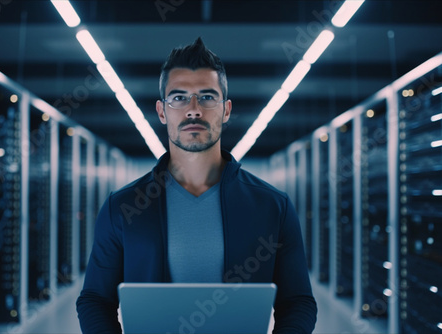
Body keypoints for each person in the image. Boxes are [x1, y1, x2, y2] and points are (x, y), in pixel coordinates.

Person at [76, 37, 317, 333]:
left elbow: (298, 302)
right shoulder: (122, 207)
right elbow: (95, 299)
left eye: (207, 97)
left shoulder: (273, 206)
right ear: (162, 111)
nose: (193, 110)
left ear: (226, 110)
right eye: (178, 97)